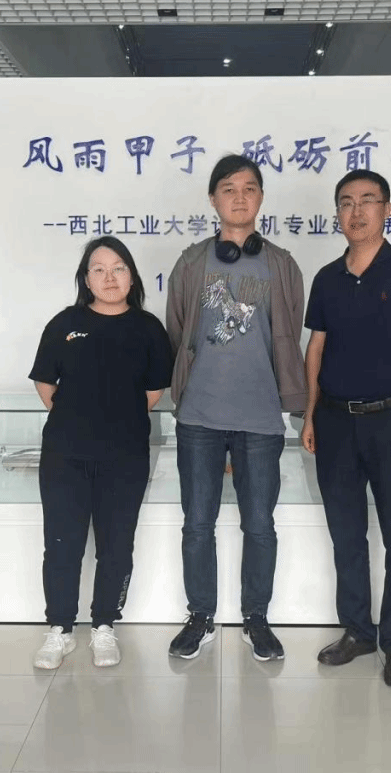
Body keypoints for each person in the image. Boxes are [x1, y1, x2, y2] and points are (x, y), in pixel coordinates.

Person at [301, 169, 391, 688]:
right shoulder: (326, 279)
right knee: (347, 535)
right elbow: (316, 349)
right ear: (337, 213)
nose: (356, 211)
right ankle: (358, 631)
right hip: (336, 423)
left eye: (367, 201)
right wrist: (311, 414)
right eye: (346, 202)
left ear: (386, 209)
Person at [165, 154, 306, 662]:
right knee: (196, 524)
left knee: (260, 525)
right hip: (199, 416)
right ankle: (200, 616)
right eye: (228, 188)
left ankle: (256, 618)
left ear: (261, 197)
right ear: (213, 199)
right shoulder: (191, 263)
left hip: (261, 418)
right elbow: (177, 331)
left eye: (249, 188)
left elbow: (288, 334)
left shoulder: (282, 265)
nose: (239, 197)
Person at [29, 236, 173, 669]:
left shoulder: (148, 328)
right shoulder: (64, 323)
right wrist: (78, 418)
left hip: (125, 456)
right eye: (99, 269)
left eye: (118, 268)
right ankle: (60, 629)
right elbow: (45, 383)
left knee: (116, 545)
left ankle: (104, 626)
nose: (109, 278)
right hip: (65, 455)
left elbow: (153, 392)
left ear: (132, 276)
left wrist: (113, 421)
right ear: (86, 279)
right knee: (62, 544)